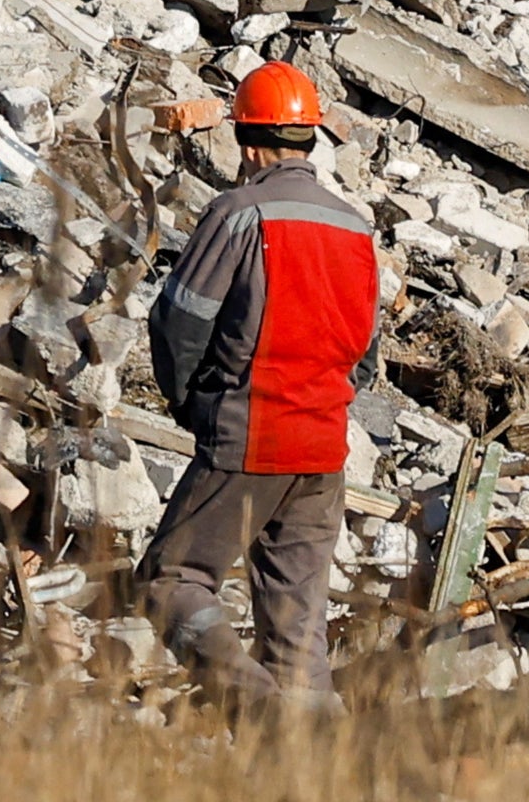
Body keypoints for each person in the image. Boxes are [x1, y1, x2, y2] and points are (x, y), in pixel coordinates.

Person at [139, 59, 386, 704]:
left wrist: (193, 404)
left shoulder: (239, 213)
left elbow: (178, 323)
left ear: (248, 143)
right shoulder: (356, 229)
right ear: (312, 139)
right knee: (297, 628)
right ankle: (320, 764)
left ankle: (261, 716)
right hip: (324, 449)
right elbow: (364, 352)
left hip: (250, 437)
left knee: (171, 582)